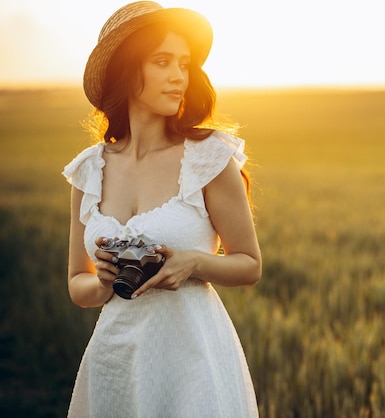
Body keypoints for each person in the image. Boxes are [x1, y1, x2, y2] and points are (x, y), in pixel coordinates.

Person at [61, 2, 261, 417]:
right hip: (115, 360)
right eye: (163, 61)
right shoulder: (89, 169)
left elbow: (249, 265)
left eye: (184, 64)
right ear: (128, 71)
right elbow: (78, 284)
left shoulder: (207, 160)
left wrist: (193, 263)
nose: (178, 76)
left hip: (193, 364)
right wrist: (102, 283)